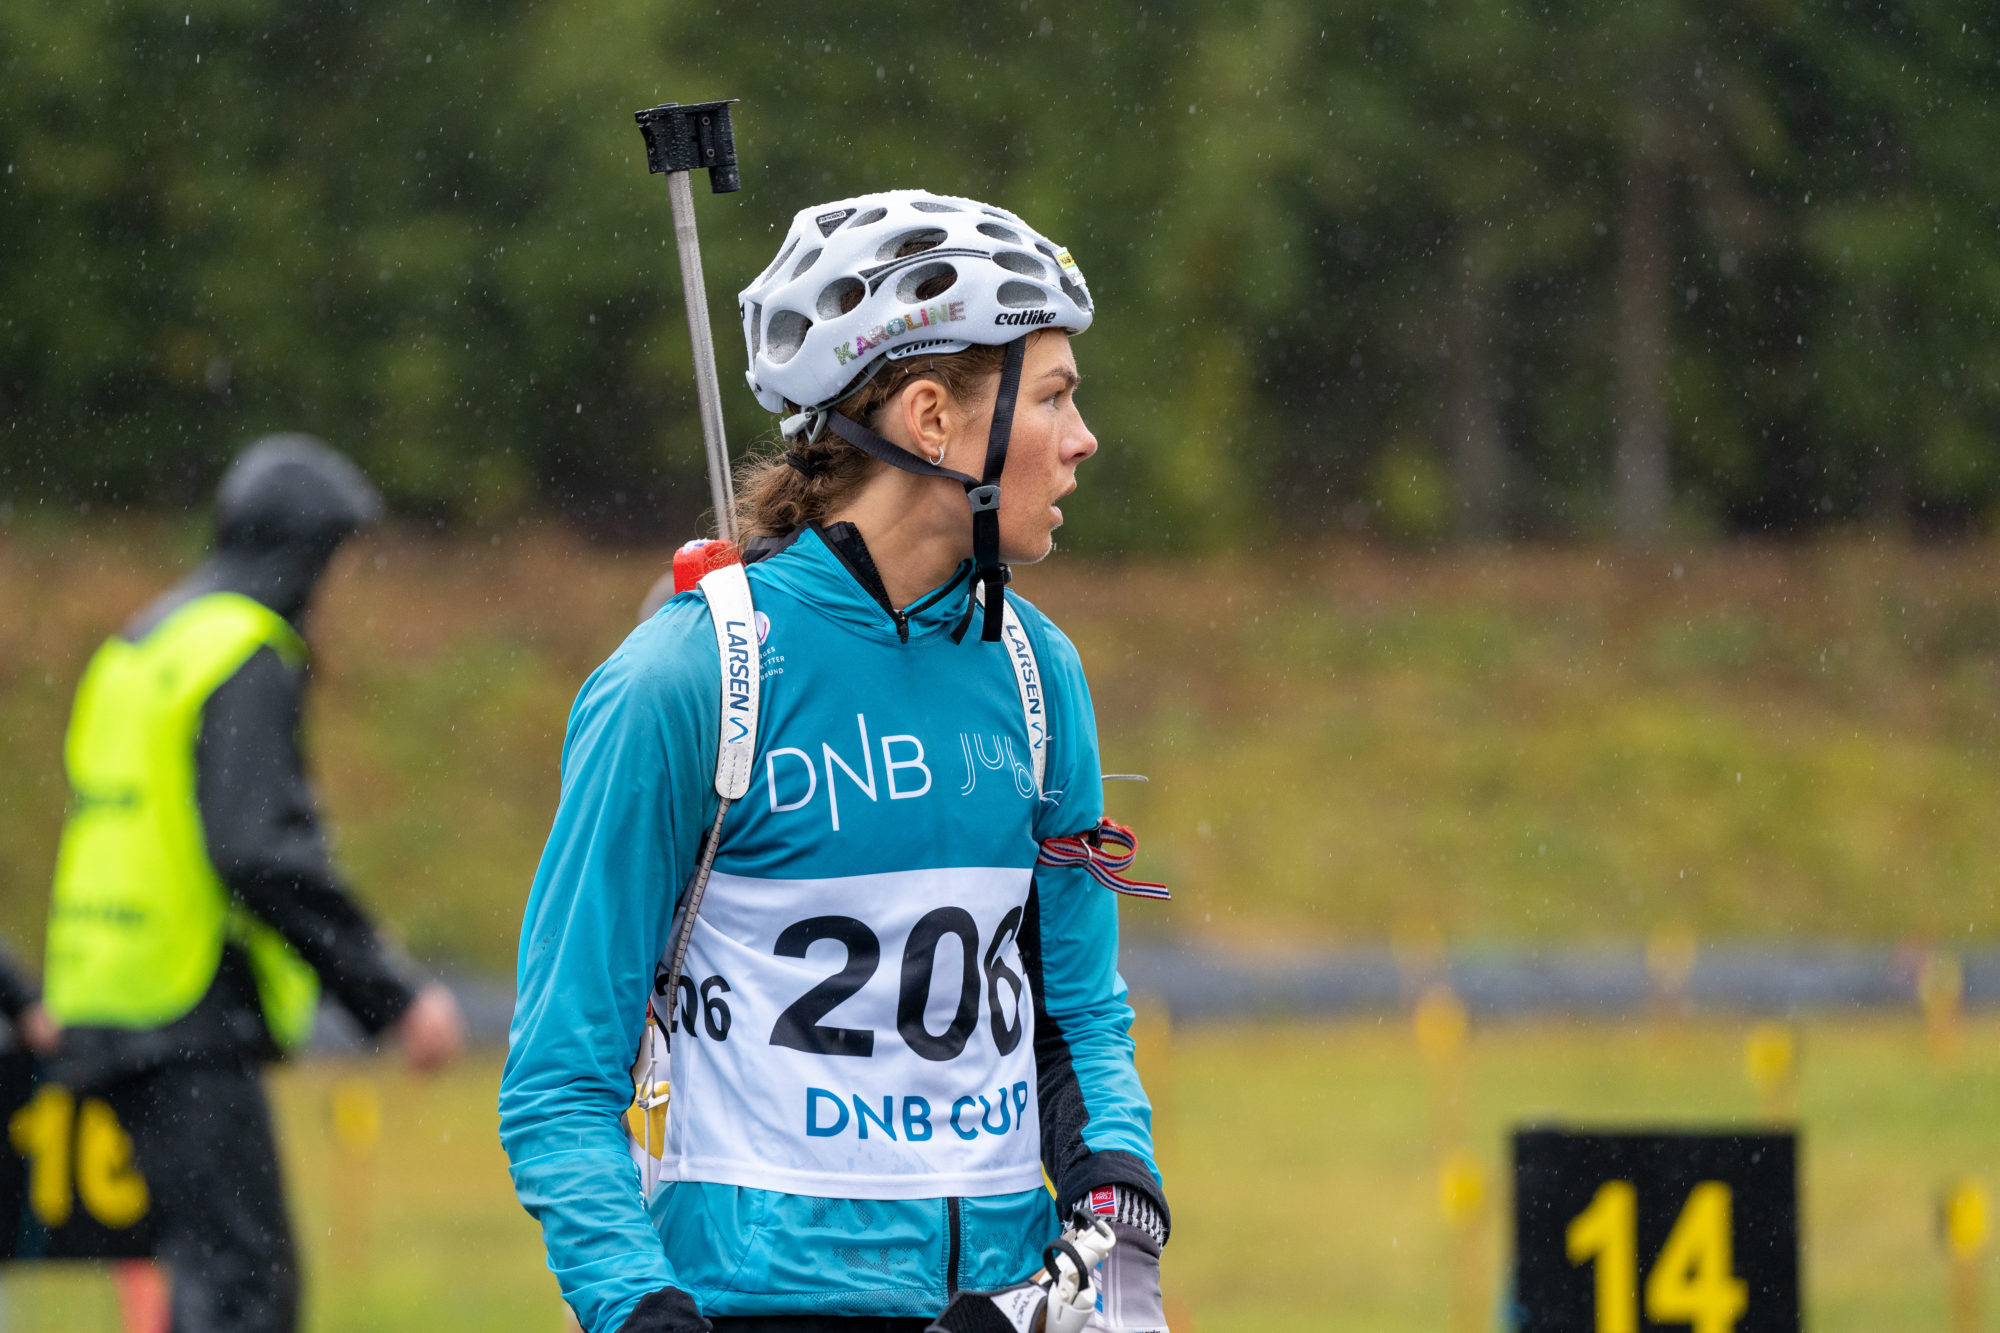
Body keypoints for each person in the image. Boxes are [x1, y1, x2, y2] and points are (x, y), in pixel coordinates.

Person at [501, 191, 1170, 1333]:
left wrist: (1116, 1189)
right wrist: (636, 1305)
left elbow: (1076, 1013)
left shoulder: (1036, 672)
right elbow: (560, 1081)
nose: (1081, 438)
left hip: (996, 1304)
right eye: (1053, 396)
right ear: (930, 418)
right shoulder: (687, 678)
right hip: (751, 1306)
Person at [40, 434, 466, 1333]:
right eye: (337, 559)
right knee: (245, 1293)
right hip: (181, 1002)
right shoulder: (240, 648)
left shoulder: (141, 644)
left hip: (102, 996)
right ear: (304, 551)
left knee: (206, 1277)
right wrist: (389, 996)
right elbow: (260, 850)